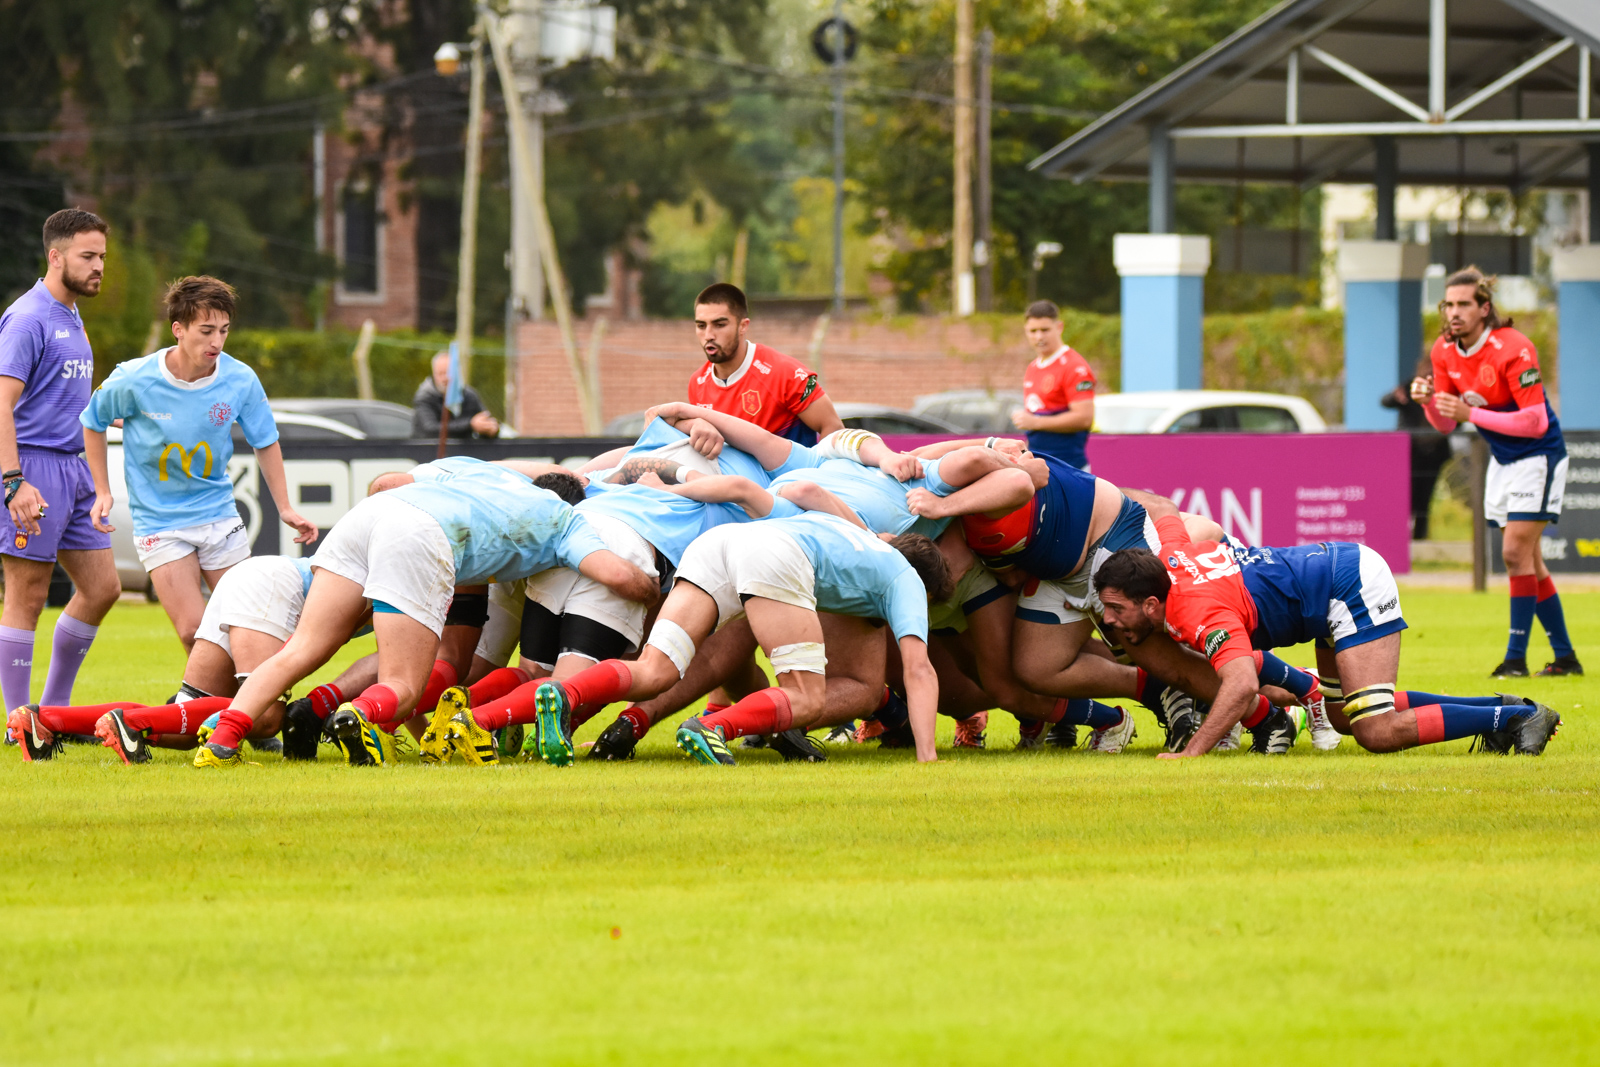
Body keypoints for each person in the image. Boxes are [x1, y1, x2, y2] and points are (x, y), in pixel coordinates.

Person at [190, 458, 658, 768]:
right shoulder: (568, 520)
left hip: (369, 516)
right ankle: (358, 714)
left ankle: (222, 741)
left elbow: (387, 481)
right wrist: (650, 587)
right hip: (419, 535)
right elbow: (616, 575)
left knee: (303, 649)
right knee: (406, 687)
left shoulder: (487, 474)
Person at [514, 511, 951, 767]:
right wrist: (927, 756)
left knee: (655, 670)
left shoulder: (858, 537)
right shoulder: (907, 578)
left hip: (721, 542)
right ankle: (711, 727)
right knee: (807, 697)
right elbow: (918, 668)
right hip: (773, 555)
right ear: (925, 587)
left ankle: (565, 693)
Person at [1093, 520, 1560, 758]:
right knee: (1342, 717)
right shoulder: (1166, 564)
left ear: (1152, 605)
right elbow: (1172, 519)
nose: (1109, 620)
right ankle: (1495, 709)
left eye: (1117, 609)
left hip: (1347, 584)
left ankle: (1519, 716)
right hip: (1330, 583)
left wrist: (1191, 754)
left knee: (1374, 732)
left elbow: (1239, 685)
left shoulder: (1196, 611)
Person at [81, 275, 318, 650]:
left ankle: (238, 705)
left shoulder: (240, 379)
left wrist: (285, 506)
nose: (217, 342)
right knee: (193, 630)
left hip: (218, 514)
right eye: (206, 330)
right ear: (178, 329)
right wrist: (103, 492)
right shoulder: (133, 378)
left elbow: (265, 441)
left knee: (245, 623)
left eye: (224, 330)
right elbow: (92, 422)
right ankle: (207, 704)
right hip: (159, 520)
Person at [1411, 267, 1581, 678]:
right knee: (1530, 562)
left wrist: (1473, 413)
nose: (1454, 312)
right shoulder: (1444, 351)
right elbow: (1446, 424)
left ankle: (1515, 660)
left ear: (1484, 308)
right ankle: (1565, 658)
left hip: (1538, 456)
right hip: (1504, 461)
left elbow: (1536, 421)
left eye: (1464, 304)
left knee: (1512, 554)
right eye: (1448, 304)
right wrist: (1428, 401)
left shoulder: (1514, 347)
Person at [0, 208, 121, 717]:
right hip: (33, 468)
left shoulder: (71, 313)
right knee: (27, 596)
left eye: (102, 258)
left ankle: (54, 711)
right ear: (56, 256)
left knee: (102, 588)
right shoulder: (28, 317)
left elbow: (57, 393)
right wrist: (13, 481)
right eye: (87, 256)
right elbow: (1, 403)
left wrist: (104, 419)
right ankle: (18, 721)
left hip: (75, 469)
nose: (98, 267)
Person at [686, 283, 843, 448]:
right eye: (701, 326)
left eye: (720, 325)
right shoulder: (697, 383)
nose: (708, 335)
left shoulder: (783, 372)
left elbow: (833, 428)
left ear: (743, 326)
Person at [1010, 300, 1096, 470]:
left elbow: (1084, 418)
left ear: (1059, 327)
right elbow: (1036, 423)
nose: (1039, 336)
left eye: (1045, 330)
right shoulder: (1033, 367)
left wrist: (1035, 422)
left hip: (1069, 467)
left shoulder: (1074, 366)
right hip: (1039, 466)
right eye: (1033, 331)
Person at [1380, 361, 1453, 540]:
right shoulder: (1410, 387)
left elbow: (1456, 420)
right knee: (1406, 495)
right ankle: (1400, 537)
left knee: (1425, 497)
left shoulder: (1447, 391)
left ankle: (1420, 537)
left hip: (1434, 452)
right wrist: (1395, 396)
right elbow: (1385, 401)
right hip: (1410, 453)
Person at [411, 351, 500, 440]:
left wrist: (491, 430)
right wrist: (470, 425)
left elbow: (486, 420)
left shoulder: (469, 395)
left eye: (448, 373)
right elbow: (430, 429)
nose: (444, 378)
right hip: (428, 451)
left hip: (463, 451)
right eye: (440, 374)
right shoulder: (425, 397)